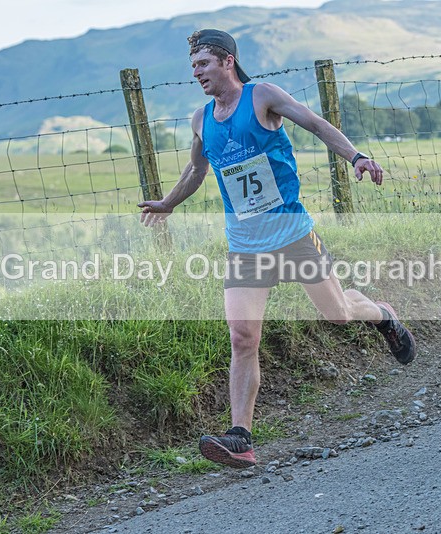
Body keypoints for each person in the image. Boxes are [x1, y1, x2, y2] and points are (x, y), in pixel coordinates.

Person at [138, 29, 416, 469]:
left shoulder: (262, 96)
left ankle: (383, 314)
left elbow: (316, 124)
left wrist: (357, 157)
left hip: (293, 236)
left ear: (227, 61)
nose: (197, 73)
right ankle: (241, 438)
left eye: (203, 64)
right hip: (245, 247)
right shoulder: (201, 118)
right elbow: (197, 169)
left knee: (338, 314)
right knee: (243, 337)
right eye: (192, 67)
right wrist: (168, 203)